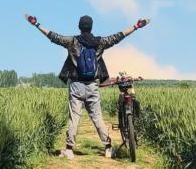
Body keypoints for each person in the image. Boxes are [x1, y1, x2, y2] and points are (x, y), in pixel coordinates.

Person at [24, 13, 149, 159]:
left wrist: (36, 24)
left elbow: (53, 36)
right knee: (97, 117)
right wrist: (136, 26)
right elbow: (119, 36)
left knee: (74, 117)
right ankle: (108, 148)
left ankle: (69, 150)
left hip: (76, 85)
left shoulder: (72, 41)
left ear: (79, 27)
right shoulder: (100, 42)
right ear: (91, 27)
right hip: (92, 86)